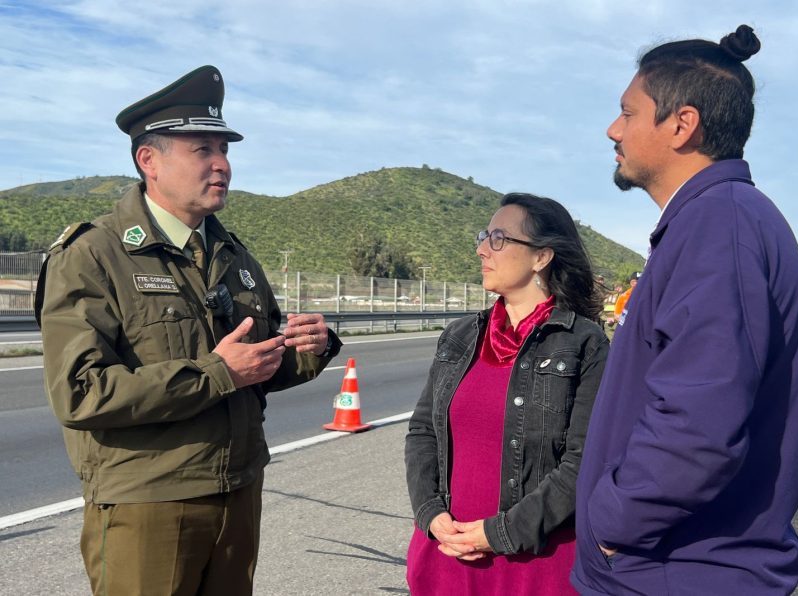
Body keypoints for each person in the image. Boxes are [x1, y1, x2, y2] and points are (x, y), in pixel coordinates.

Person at [35, 65, 341, 596]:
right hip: (148, 499)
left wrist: (308, 348)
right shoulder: (93, 255)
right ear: (148, 160)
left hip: (238, 488)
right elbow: (81, 395)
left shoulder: (233, 254)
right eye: (202, 150)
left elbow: (255, 369)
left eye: (224, 150)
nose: (222, 164)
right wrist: (218, 373)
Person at [573, 25, 798, 595]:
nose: (613, 129)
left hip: (676, 571)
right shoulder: (710, 221)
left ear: (682, 125)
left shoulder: (718, 225)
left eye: (627, 113)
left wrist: (615, 524)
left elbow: (698, 423)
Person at [405, 193, 610, 595]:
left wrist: (498, 533)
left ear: (541, 257)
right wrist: (430, 513)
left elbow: (583, 463)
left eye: (499, 238)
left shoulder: (585, 344)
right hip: (446, 557)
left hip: (535, 567)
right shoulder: (459, 337)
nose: (482, 248)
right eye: (485, 236)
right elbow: (422, 433)